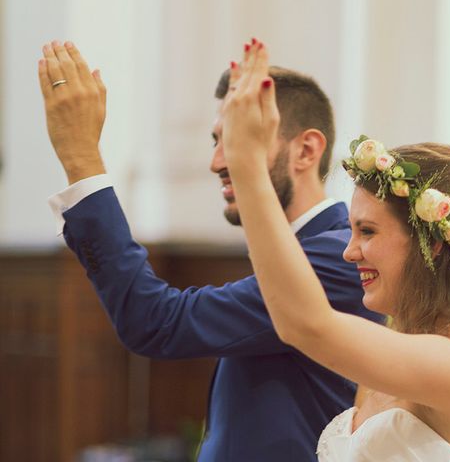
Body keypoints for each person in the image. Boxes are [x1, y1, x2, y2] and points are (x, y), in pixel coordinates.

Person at [38, 39, 383, 461]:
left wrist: (81, 160)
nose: (218, 161)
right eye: (216, 140)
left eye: (236, 140)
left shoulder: (338, 258)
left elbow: (156, 321)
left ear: (306, 150)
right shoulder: (299, 252)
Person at [222, 39, 450, 461]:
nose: (349, 252)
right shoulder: (394, 349)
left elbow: (306, 326)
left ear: (435, 244)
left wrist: (247, 164)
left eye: (367, 231)